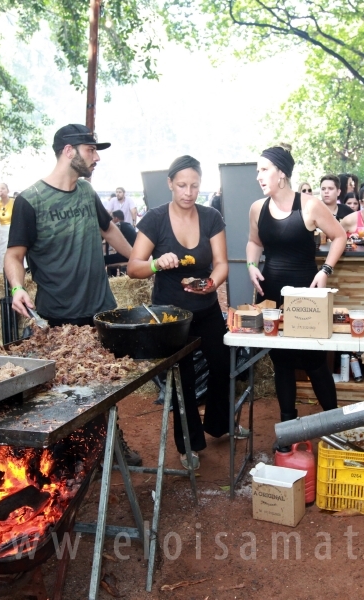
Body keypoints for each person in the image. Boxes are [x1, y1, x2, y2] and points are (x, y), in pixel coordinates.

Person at [5, 124, 139, 466]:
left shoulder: (86, 193)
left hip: (99, 311)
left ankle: (111, 446)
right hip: (57, 317)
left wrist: (139, 260)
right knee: (62, 394)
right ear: (69, 151)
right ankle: (67, 462)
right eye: (91, 150)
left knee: (103, 388)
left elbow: (109, 230)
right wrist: (18, 288)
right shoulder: (29, 200)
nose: (96, 158)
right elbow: (14, 256)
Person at [127, 155, 239, 471]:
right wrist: (154, 263)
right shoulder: (155, 219)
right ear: (170, 184)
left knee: (222, 365)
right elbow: (133, 267)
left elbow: (221, 264)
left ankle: (219, 424)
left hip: (206, 309)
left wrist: (212, 283)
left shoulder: (212, 216)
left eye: (194, 185)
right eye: (182, 185)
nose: (188, 192)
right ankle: (187, 444)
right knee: (183, 380)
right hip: (171, 318)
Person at [246, 144, 346, 440]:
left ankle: (334, 425)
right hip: (271, 295)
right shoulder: (257, 208)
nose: (259, 176)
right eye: (258, 171)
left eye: (264, 170)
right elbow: (254, 242)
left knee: (315, 361)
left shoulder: (310, 205)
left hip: (306, 294)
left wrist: (325, 270)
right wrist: (252, 264)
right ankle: (288, 430)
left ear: (282, 174)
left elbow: (340, 236)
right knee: (282, 362)